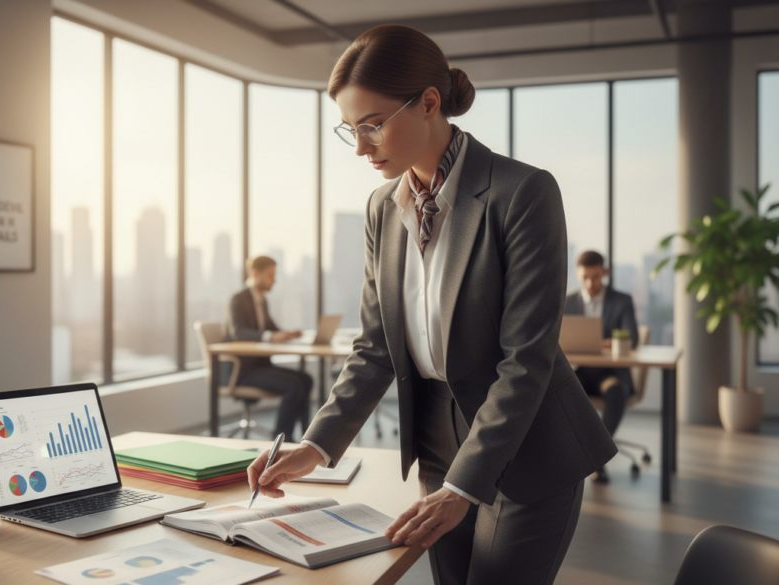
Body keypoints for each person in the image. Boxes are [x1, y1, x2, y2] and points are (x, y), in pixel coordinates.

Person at [245, 24, 616, 585]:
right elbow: (375, 349)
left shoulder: (523, 193)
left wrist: (464, 486)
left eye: (372, 125)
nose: (362, 147)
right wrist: (315, 445)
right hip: (439, 442)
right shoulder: (381, 208)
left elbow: (527, 361)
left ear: (429, 103)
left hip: (530, 447)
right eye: (350, 131)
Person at [564, 250, 640, 484]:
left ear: (604, 273)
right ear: (578, 274)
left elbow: (632, 337)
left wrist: (610, 342)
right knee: (558, 390)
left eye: (595, 277)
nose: (590, 283)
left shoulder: (621, 301)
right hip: (580, 372)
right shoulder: (568, 302)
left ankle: (596, 457)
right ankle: (574, 456)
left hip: (610, 374)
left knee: (616, 390)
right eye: (585, 277)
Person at [223, 256, 313, 439]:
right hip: (242, 371)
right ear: (256, 274)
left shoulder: (262, 301)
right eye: (270, 276)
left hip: (260, 366)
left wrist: (287, 334)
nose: (274, 280)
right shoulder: (238, 299)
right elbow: (238, 333)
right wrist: (271, 336)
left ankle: (307, 437)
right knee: (294, 386)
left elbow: (271, 329)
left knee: (306, 379)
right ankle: (281, 438)